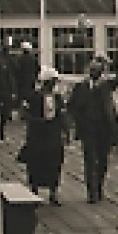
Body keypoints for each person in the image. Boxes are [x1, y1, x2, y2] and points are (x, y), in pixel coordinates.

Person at [67, 55, 118, 203]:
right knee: (90, 159)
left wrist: (111, 63)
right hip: (88, 128)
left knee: (102, 159)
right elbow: (72, 106)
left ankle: (99, 186)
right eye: (93, 69)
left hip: (105, 127)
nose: (95, 72)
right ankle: (92, 192)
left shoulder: (106, 85)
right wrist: (76, 123)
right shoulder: (80, 87)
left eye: (98, 69)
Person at [19, 66, 68, 204]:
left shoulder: (57, 98)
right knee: (36, 161)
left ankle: (53, 192)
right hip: (37, 132)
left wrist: (66, 131)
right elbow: (24, 112)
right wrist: (35, 121)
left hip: (53, 133)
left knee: (54, 162)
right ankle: (34, 189)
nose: (53, 85)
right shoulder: (33, 96)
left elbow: (61, 115)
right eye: (52, 81)